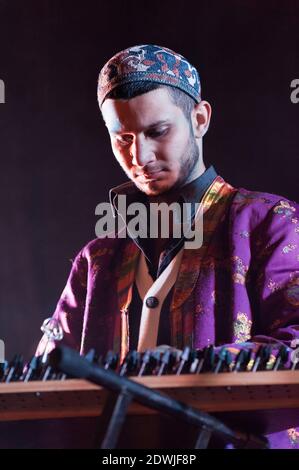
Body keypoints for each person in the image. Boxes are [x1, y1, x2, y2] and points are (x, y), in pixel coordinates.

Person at [36, 44, 299, 448]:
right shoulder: (98, 259)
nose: (139, 156)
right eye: (121, 138)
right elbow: (46, 381)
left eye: (156, 132)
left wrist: (182, 369)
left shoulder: (271, 222)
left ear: (199, 119)